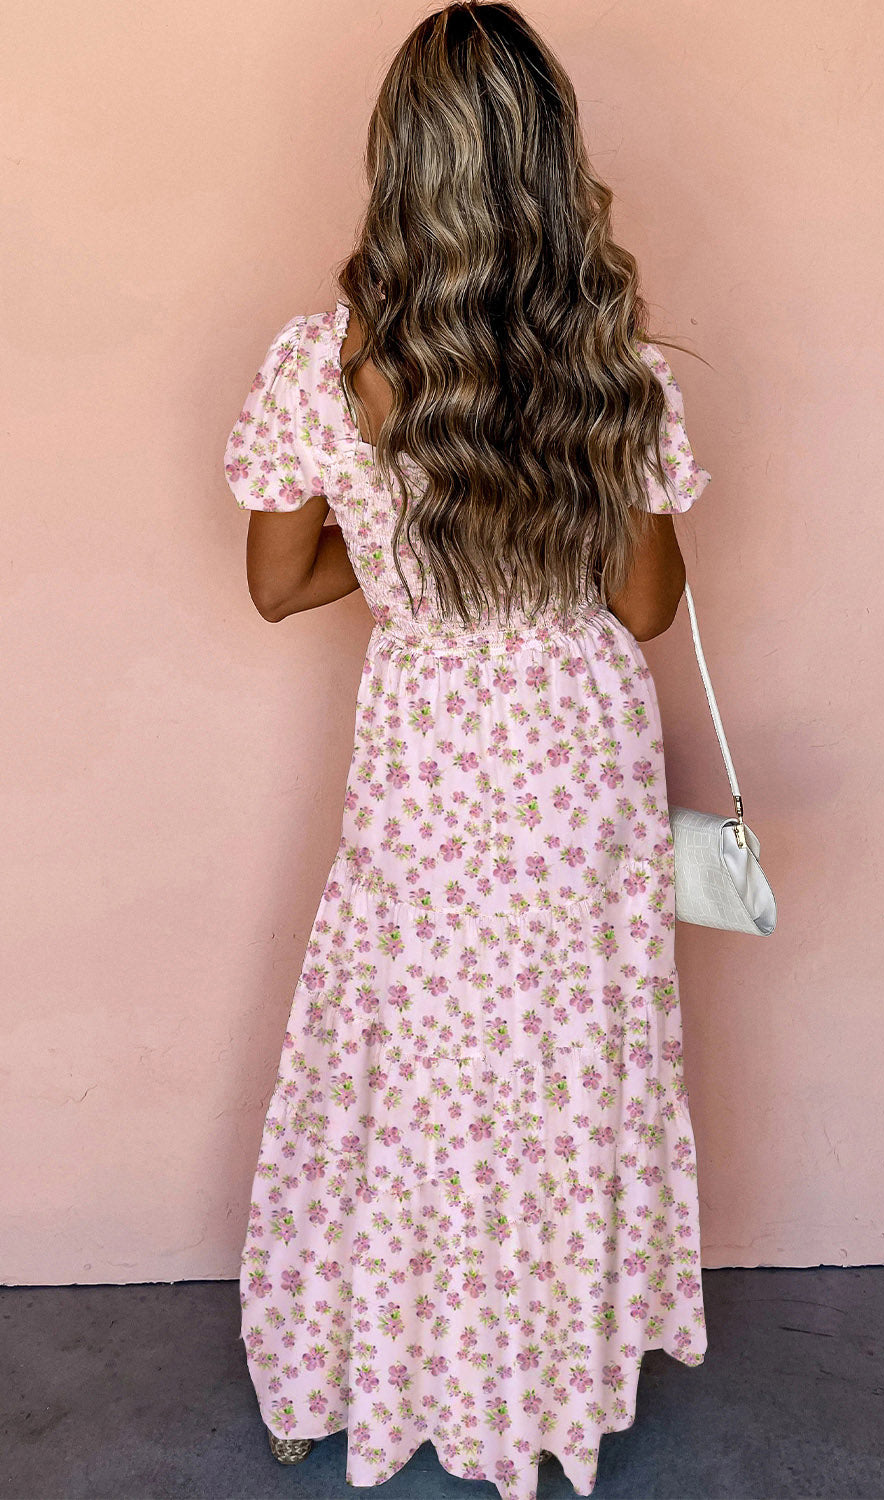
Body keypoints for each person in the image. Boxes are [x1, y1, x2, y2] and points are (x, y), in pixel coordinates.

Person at [222, 5, 711, 1497]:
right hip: (576, 754)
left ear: (397, 164)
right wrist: (523, 549)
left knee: (410, 1059)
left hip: (429, 745)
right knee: (559, 1069)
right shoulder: (609, 360)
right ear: (556, 169)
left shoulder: (326, 363)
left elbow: (276, 586)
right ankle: (538, 1381)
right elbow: (642, 606)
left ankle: (343, 1367)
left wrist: (406, 557)